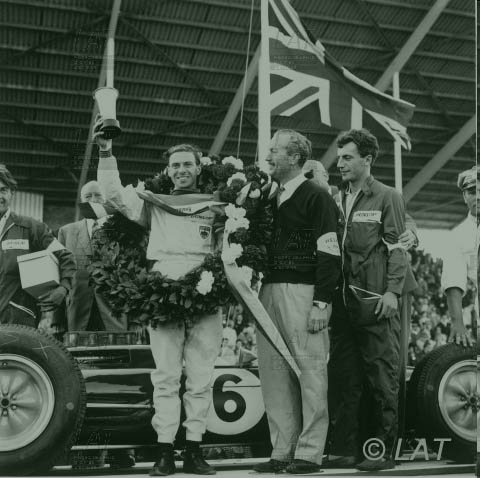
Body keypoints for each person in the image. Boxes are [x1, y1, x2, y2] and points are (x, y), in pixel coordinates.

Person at [94, 116, 221, 476]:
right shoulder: (152, 202)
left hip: (206, 292)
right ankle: (164, 451)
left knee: (201, 375)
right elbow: (114, 196)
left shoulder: (217, 205)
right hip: (163, 290)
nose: (181, 170)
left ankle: (194, 449)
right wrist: (106, 151)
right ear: (168, 170)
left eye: (187, 165)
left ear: (199, 168)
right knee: (165, 376)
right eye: (175, 165)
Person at [253, 130, 341, 474]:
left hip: (304, 291)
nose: (269, 156)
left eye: (275, 151)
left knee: (311, 372)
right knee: (274, 375)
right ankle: (282, 449)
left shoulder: (317, 196)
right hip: (269, 290)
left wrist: (322, 302)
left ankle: (309, 452)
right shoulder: (267, 198)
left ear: (295, 158)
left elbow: (330, 249)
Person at [326, 129, 409, 472]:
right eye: (339, 157)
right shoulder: (335, 198)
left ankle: (382, 451)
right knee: (345, 377)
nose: (340, 163)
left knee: (381, 377)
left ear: (367, 160)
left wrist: (392, 291)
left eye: (347, 157)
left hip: (375, 301)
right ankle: (346, 448)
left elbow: (398, 247)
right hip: (342, 307)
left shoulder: (387, 196)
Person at [0, 166, 75, 329]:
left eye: (3, 190)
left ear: (12, 193)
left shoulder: (31, 228)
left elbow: (66, 258)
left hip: (19, 324)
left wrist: (63, 289)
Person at [58, 181, 127, 332]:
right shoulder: (66, 232)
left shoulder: (123, 230)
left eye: (98, 195)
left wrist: (136, 321)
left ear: (106, 200)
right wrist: (57, 320)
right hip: (77, 311)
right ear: (82, 201)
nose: (93, 200)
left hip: (114, 312)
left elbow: (132, 274)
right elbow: (60, 276)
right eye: (88, 196)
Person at [441, 165, 478, 346]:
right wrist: (458, 323)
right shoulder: (459, 235)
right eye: (472, 191)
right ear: (464, 196)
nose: (477, 197)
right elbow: (454, 281)